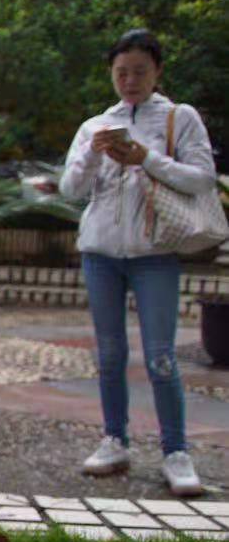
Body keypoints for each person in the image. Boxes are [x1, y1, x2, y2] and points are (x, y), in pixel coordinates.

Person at [58, 29, 218, 495]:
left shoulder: (178, 119)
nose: (129, 81)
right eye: (121, 72)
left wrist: (146, 157)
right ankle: (115, 439)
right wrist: (94, 153)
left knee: (161, 356)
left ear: (157, 72)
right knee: (108, 353)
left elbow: (201, 178)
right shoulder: (95, 125)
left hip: (154, 254)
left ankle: (175, 450)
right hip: (101, 253)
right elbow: (71, 190)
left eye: (140, 72)